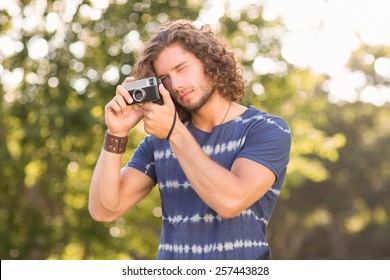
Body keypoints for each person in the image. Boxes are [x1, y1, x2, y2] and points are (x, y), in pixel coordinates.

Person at [89, 19, 291, 260]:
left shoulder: (265, 129)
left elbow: (230, 201)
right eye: (164, 78)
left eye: (182, 68)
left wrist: (174, 131)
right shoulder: (158, 142)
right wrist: (116, 133)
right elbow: (104, 210)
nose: (176, 85)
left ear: (209, 61)